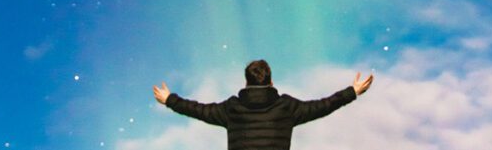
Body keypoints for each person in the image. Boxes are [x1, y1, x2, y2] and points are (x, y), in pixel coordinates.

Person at [152, 59, 374, 150]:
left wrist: (170, 99)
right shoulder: (287, 107)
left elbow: (197, 109)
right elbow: (324, 105)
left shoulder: (230, 109)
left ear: (245, 83)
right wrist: (352, 91)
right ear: (271, 81)